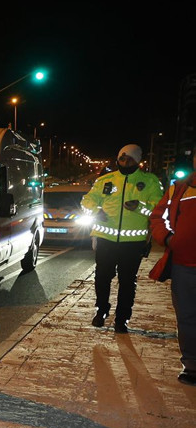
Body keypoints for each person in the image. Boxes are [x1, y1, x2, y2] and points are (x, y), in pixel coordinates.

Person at [80, 144, 163, 333]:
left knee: (127, 282)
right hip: (105, 239)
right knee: (102, 278)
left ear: (138, 160)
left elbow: (158, 208)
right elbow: (87, 200)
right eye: (122, 158)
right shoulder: (105, 180)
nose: (125, 162)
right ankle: (101, 311)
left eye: (130, 159)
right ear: (117, 159)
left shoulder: (149, 181)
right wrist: (96, 211)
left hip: (133, 244)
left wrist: (140, 206)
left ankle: (122, 319)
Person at [149, 150, 196, 386]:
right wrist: (167, 239)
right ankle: (192, 366)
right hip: (184, 265)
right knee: (187, 317)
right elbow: (157, 217)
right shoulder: (178, 188)